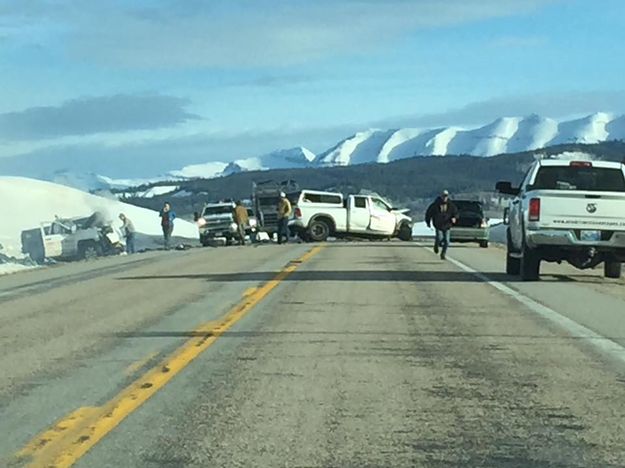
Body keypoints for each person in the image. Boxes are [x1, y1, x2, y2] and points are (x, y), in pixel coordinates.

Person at [425, 190, 458, 260]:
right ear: (441, 196)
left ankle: (443, 254)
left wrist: (454, 217)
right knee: (439, 238)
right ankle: (436, 246)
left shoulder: (451, 205)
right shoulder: (435, 205)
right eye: (443, 196)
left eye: (446, 196)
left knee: (447, 241)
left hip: (447, 225)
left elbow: (455, 212)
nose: (444, 198)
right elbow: (428, 214)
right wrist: (428, 222)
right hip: (438, 225)